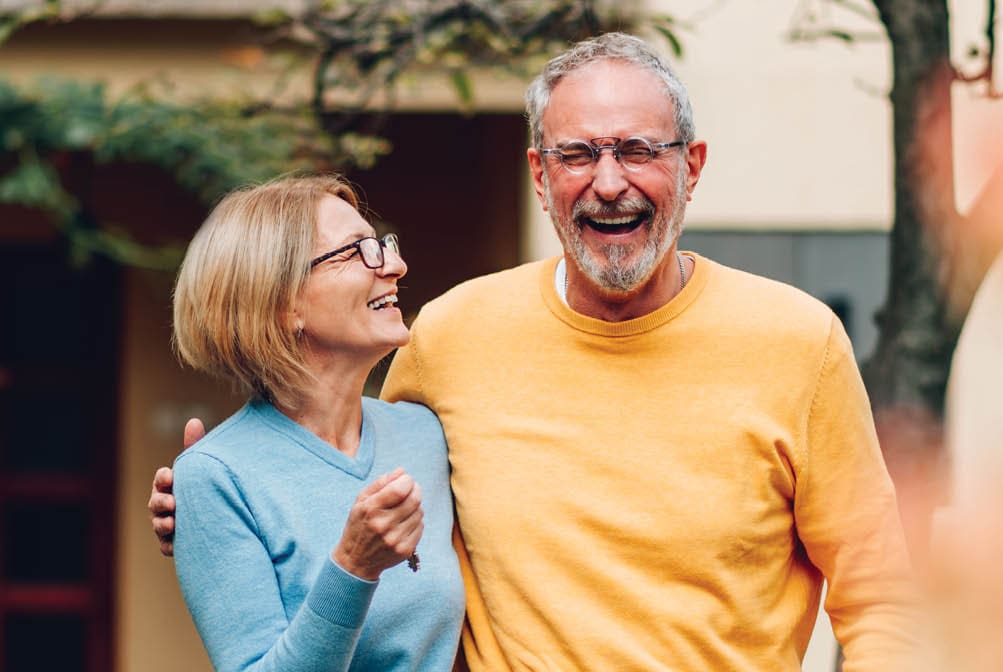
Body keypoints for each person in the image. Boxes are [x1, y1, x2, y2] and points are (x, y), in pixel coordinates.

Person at [153, 33, 916, 671]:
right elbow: (342, 477)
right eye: (578, 154)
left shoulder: (798, 339)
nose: (608, 181)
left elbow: (881, 597)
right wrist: (216, 506)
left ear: (692, 165)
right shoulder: (449, 336)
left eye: (639, 150)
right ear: (540, 175)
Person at [161, 174, 464, 672]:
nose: (395, 265)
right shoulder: (215, 476)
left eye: (383, 245)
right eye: (356, 251)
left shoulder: (426, 434)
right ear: (283, 304)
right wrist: (353, 566)